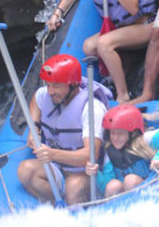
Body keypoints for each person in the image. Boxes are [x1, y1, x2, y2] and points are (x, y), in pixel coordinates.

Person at [17, 53, 111, 206]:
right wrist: (34, 127)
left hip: (87, 170)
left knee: (73, 187)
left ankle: (77, 211)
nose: (50, 91)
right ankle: (56, 204)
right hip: (58, 166)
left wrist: (53, 154)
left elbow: (90, 156)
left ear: (73, 84)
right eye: (48, 85)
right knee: (25, 171)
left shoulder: (91, 108)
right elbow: (36, 98)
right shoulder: (46, 95)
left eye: (56, 85)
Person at [85, 104, 159, 197]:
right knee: (112, 186)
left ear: (132, 133)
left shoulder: (144, 140)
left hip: (153, 189)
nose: (115, 138)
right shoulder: (110, 153)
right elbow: (106, 186)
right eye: (112, 133)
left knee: (130, 181)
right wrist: (96, 175)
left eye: (120, 133)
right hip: (126, 198)